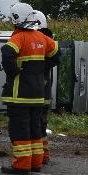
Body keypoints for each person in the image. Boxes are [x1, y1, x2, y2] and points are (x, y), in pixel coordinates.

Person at [0, 3, 58, 175]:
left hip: (19, 95)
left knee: (20, 129)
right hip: (38, 95)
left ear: (17, 18)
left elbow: (7, 52)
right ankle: (36, 163)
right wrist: (41, 68)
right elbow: (56, 53)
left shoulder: (20, 37)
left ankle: (22, 165)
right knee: (35, 129)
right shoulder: (42, 37)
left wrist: (14, 71)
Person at [28, 10, 55, 165]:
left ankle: (39, 156)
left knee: (35, 125)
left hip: (37, 91)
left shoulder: (39, 40)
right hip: (44, 92)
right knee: (41, 125)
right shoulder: (48, 40)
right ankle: (43, 155)